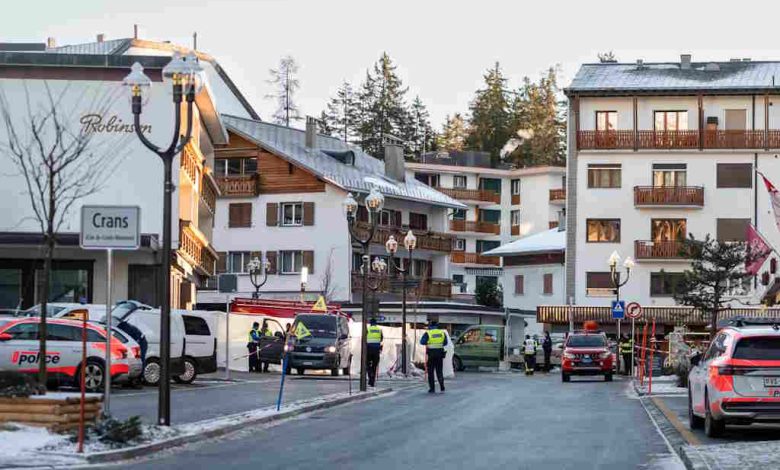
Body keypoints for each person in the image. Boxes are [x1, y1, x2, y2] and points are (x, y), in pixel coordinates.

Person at [420, 320, 448, 393]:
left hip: (431, 355)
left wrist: (428, 342)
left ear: (430, 326)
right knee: (439, 371)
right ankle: (442, 387)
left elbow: (422, 342)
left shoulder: (428, 333)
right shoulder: (442, 333)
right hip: (440, 354)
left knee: (431, 372)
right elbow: (445, 343)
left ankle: (432, 388)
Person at [365, 318, 383, 387]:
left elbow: (364, 338)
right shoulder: (379, 330)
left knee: (367, 364)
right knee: (375, 365)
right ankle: (372, 382)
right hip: (376, 349)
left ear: (370, 323)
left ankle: (370, 375)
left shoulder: (368, 329)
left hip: (369, 348)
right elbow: (381, 339)